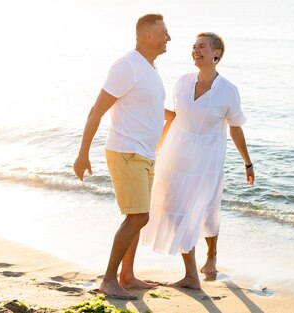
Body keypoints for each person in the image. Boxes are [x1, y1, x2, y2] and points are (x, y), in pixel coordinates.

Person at [141, 32, 254, 290]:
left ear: (216, 54)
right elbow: (176, 117)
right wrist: (153, 148)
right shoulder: (182, 82)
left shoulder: (228, 91)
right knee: (175, 210)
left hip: (206, 160)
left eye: (202, 47)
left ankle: (211, 254)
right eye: (193, 47)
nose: (196, 50)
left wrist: (247, 163)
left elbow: (235, 128)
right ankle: (191, 274)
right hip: (175, 156)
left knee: (206, 211)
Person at [72, 14, 171, 300]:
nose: (169, 38)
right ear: (149, 35)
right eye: (165, 32)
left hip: (144, 154)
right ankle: (108, 280)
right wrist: (82, 153)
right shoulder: (127, 66)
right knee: (138, 217)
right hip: (126, 151)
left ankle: (127, 275)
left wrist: (178, 117)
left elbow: (148, 106)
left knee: (138, 217)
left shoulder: (150, 68)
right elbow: (97, 110)